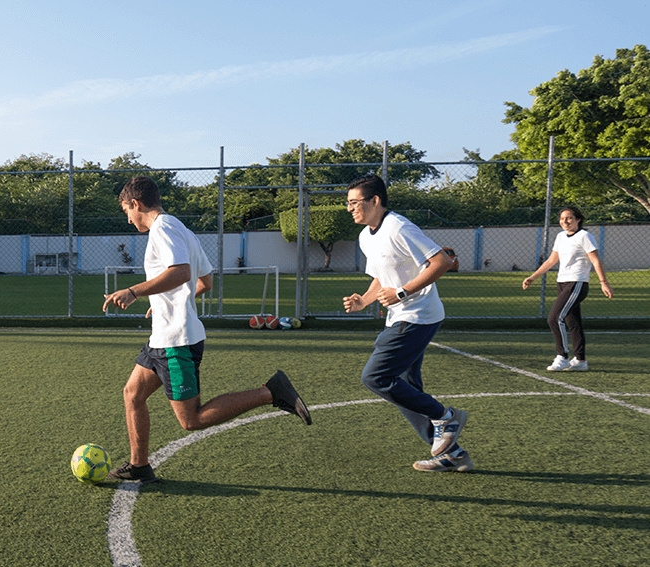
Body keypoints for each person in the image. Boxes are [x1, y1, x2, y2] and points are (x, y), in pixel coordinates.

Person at [101, 176, 311, 484]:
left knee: (191, 419)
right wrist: (164, 302)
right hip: (163, 336)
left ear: (135, 204)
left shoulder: (163, 228)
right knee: (132, 394)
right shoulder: (182, 230)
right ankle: (139, 465)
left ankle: (271, 392)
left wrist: (135, 291)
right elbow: (204, 282)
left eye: (125, 211)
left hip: (176, 342)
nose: (128, 219)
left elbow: (182, 272)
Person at [341, 175, 472, 472]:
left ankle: (446, 416)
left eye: (354, 202)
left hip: (418, 316)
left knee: (375, 377)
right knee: (406, 387)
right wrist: (364, 299)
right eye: (347, 203)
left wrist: (402, 292)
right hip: (401, 316)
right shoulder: (366, 236)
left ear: (375, 201)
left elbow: (441, 261)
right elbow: (381, 278)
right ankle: (450, 454)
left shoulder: (399, 227)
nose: (350, 208)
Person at [521, 206, 614, 371]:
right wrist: (532, 277)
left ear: (578, 219)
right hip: (562, 283)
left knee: (554, 318)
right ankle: (580, 361)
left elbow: (595, 260)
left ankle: (562, 356)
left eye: (569, 218)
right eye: (562, 218)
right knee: (573, 322)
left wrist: (603, 282)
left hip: (577, 283)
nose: (565, 221)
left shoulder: (585, 236)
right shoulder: (560, 236)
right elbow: (551, 260)